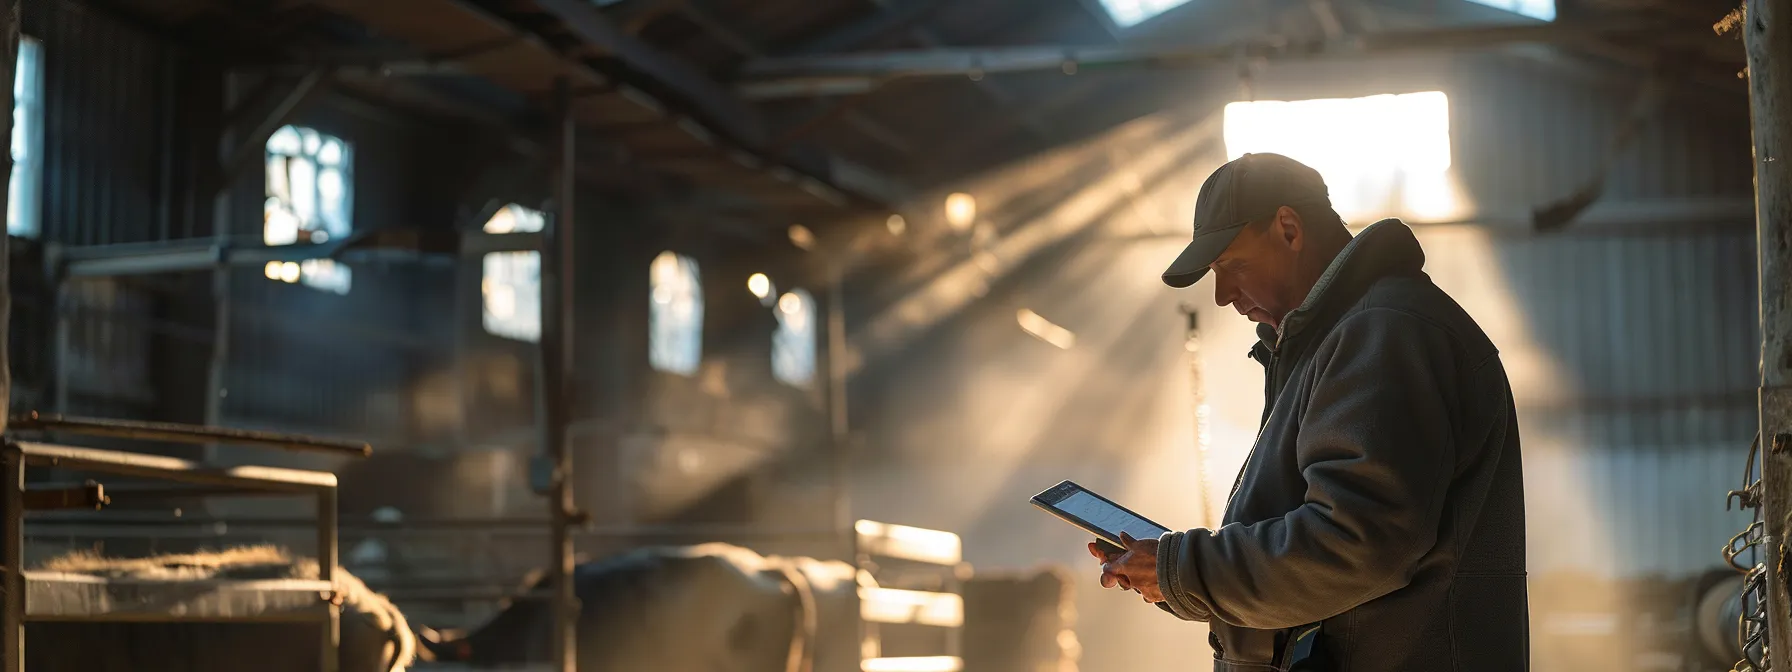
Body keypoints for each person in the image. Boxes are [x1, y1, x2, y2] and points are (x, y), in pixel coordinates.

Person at [1090, 153, 1528, 671]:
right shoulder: (1338, 339)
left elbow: (1356, 543)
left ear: (1289, 229)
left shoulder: (1384, 333)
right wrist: (1174, 576)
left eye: (1231, 266)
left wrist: (1183, 570)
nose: (1223, 294)